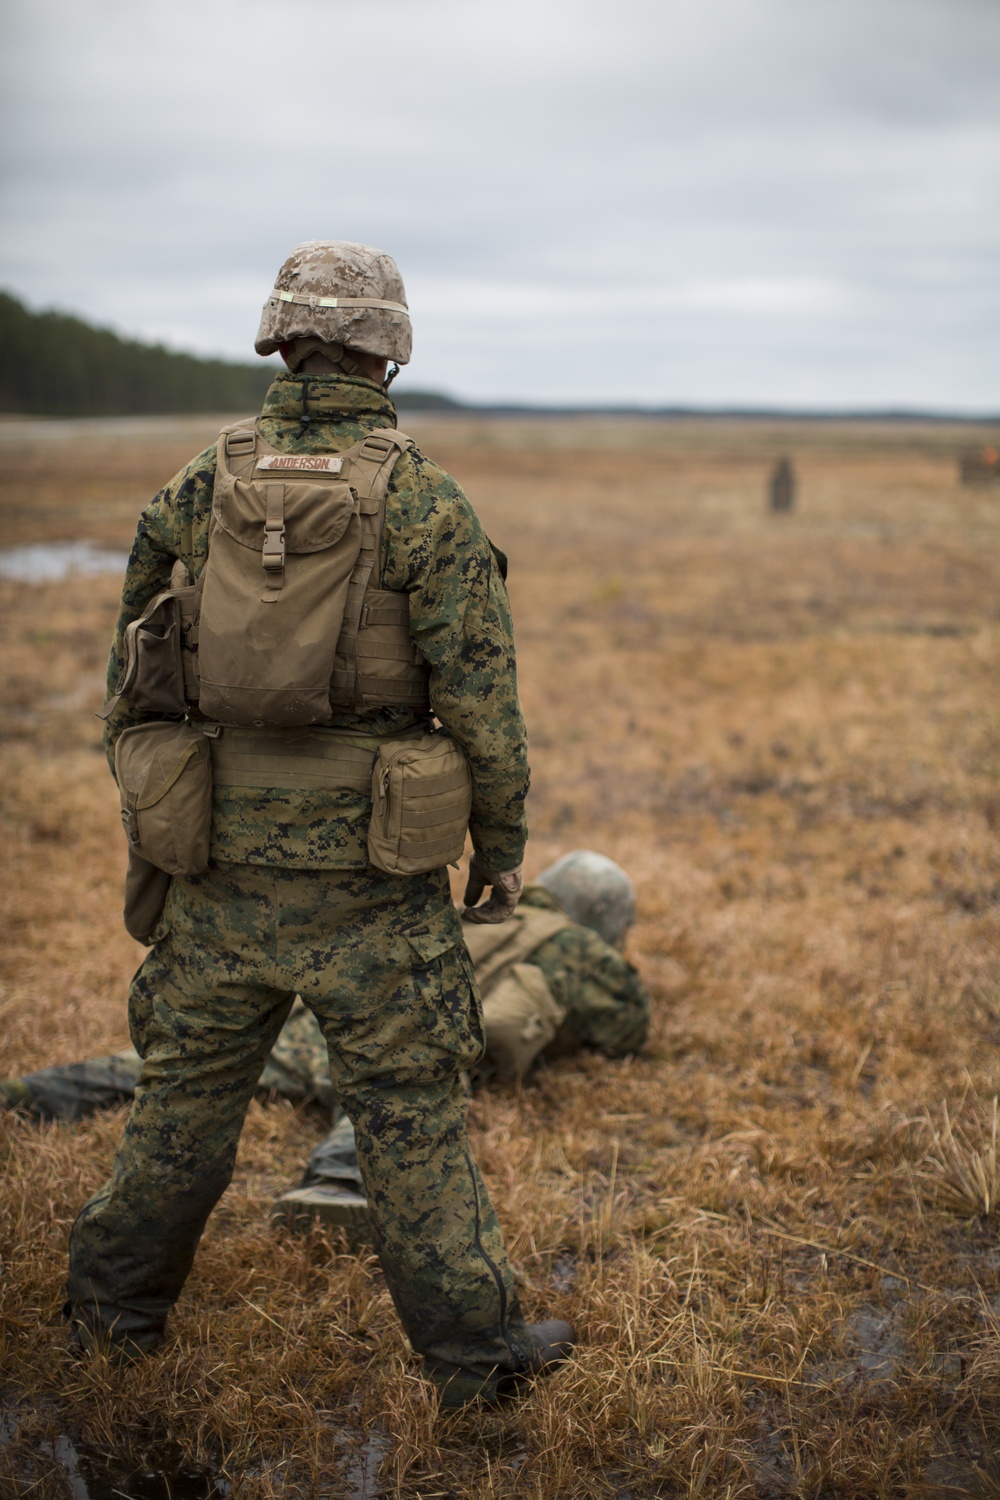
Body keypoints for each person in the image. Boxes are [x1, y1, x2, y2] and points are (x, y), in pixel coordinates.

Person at [62, 240, 570, 1407]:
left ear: (277, 338)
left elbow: (129, 687)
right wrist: (498, 853)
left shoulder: (198, 486)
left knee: (181, 1100)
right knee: (407, 1114)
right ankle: (474, 1359)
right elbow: (482, 704)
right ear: (388, 349)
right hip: (373, 879)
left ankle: (107, 1319)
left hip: (219, 866)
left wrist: (170, 817)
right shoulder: (426, 501)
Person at [4, 853, 649, 1247]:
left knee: (168, 1072)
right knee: (384, 1100)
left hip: (332, 1018)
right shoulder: (579, 946)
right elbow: (627, 1029)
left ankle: (31, 1094)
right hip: (416, 1045)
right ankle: (338, 1184)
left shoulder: (481, 914)